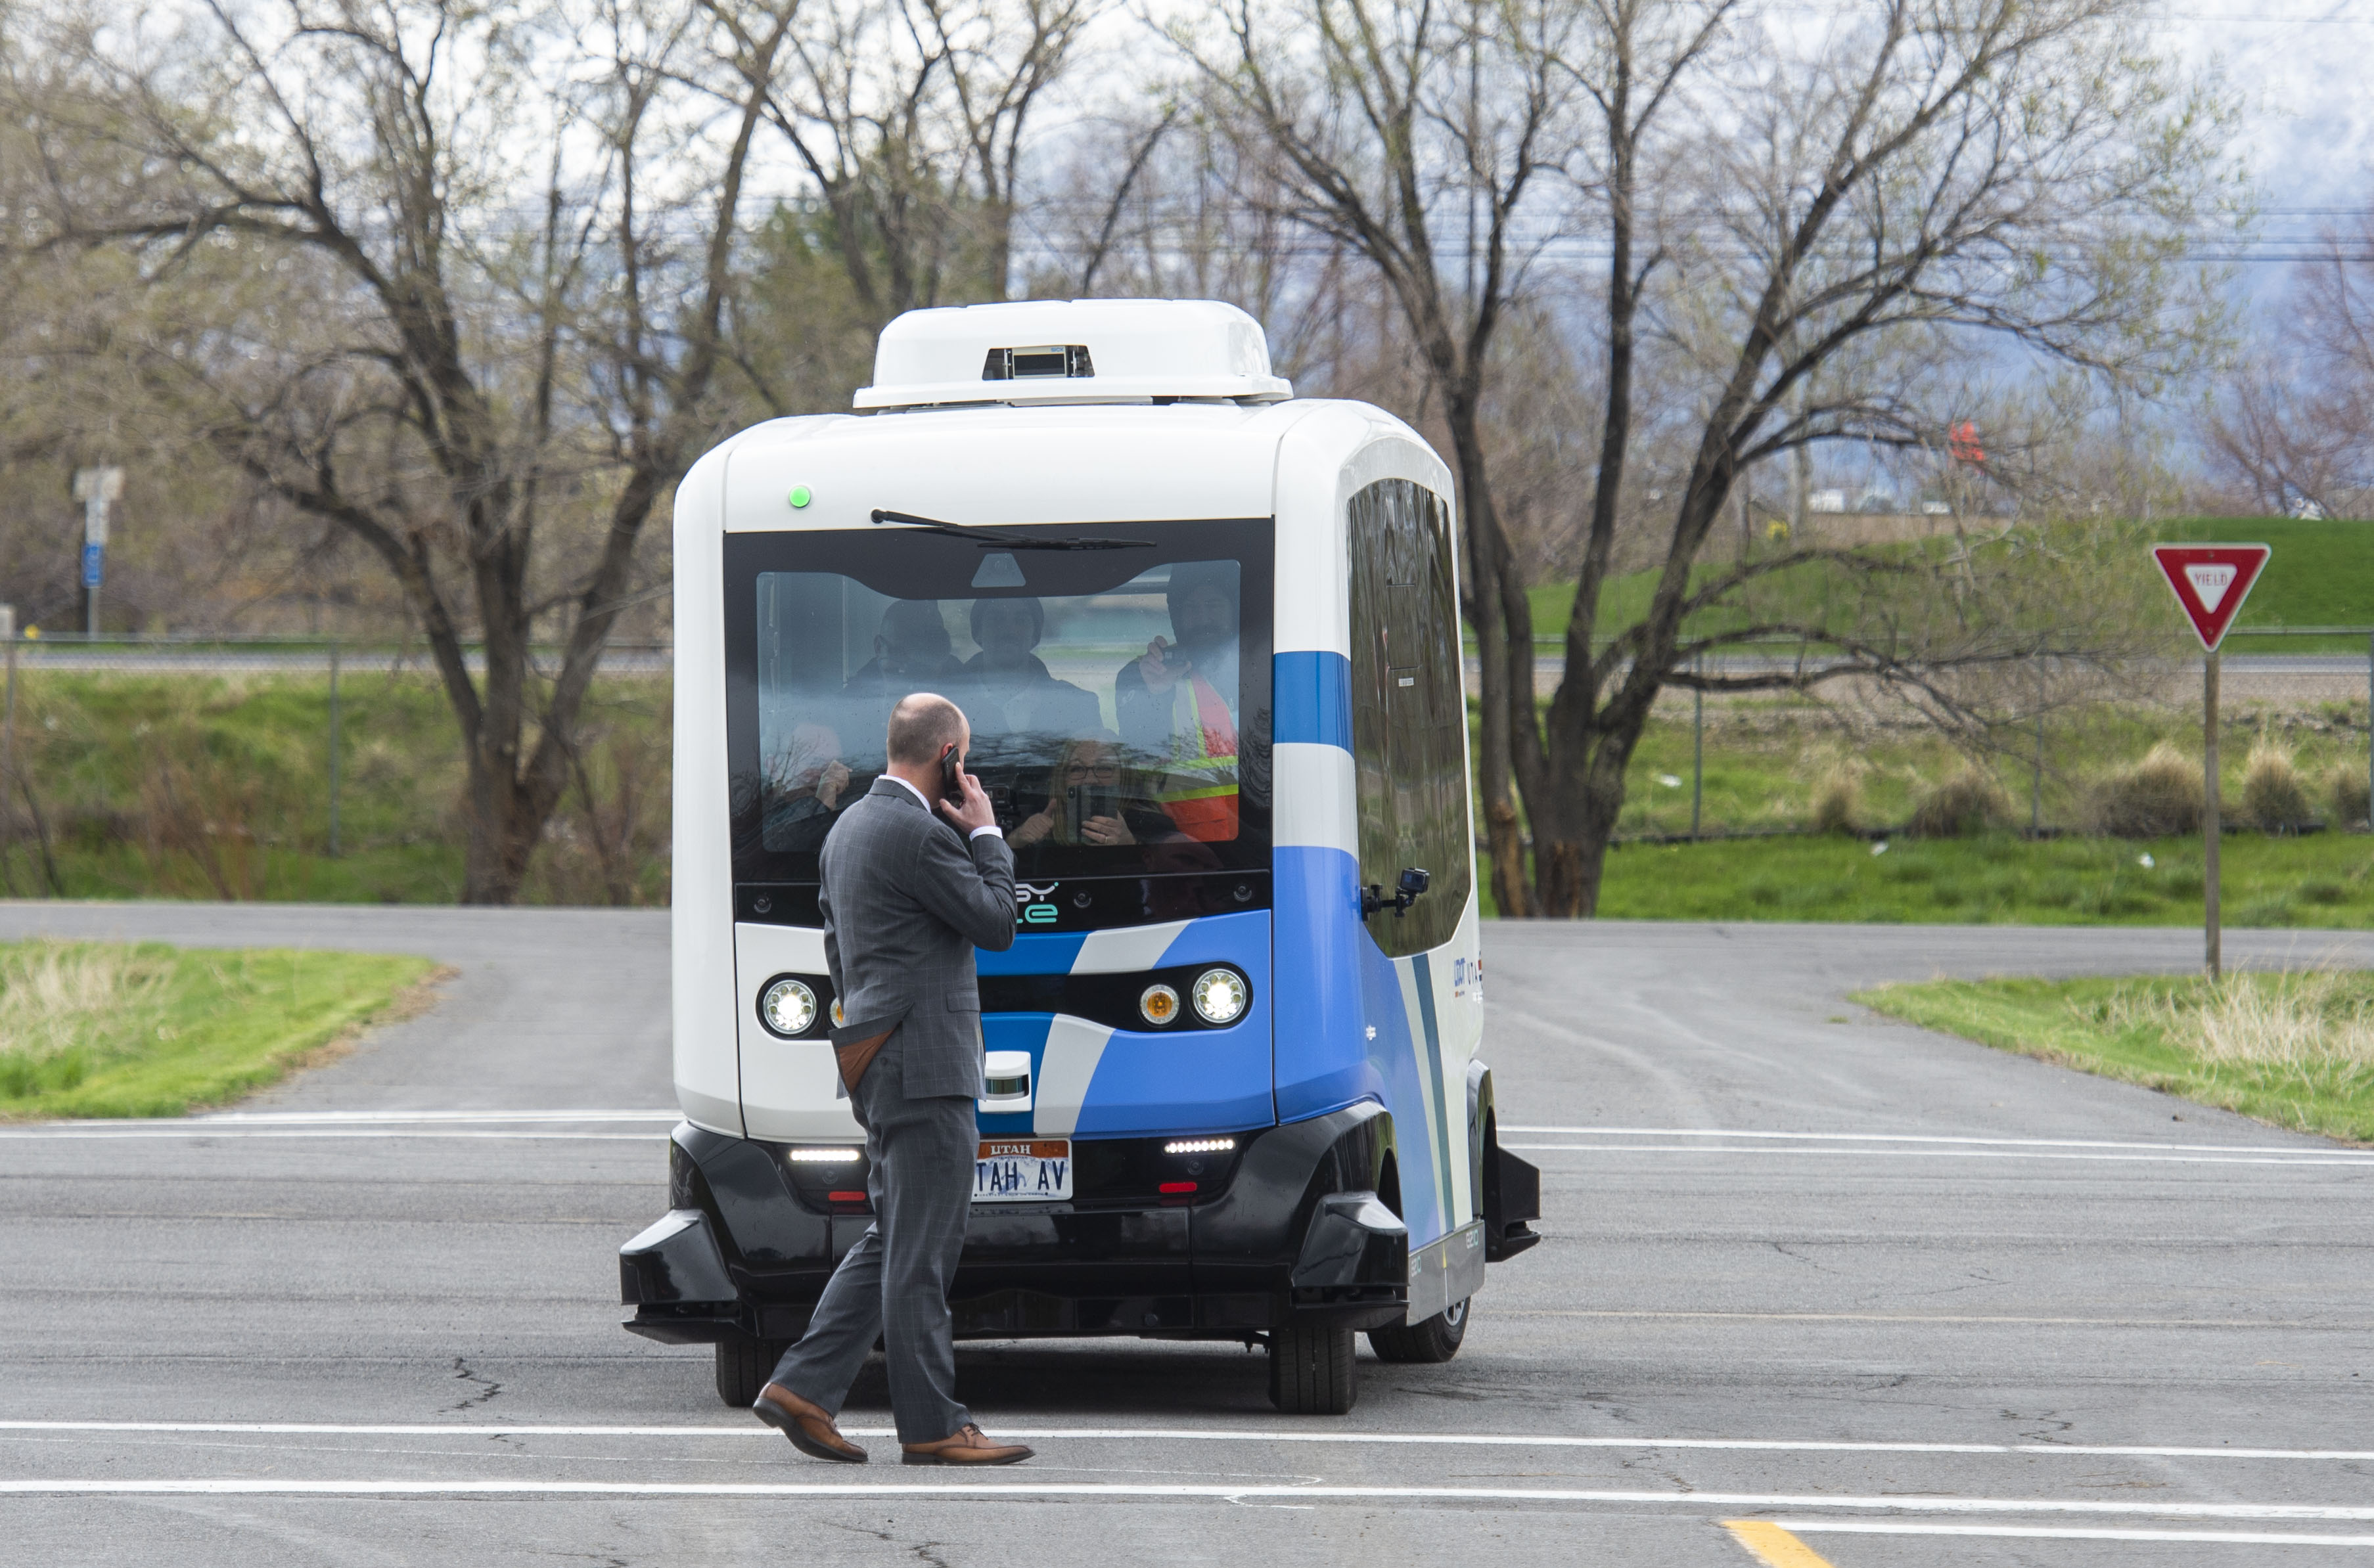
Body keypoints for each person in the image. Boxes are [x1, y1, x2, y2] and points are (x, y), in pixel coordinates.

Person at [750, 692, 1033, 1468]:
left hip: (876, 1053)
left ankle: (802, 1386)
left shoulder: (848, 828)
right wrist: (988, 835)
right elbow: (997, 922)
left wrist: (869, 1026)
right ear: (949, 756)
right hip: (926, 1060)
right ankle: (933, 1424)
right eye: (964, 758)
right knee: (923, 1251)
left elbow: (838, 947)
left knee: (896, 1236)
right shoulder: (918, 832)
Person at [1113, 562, 1241, 842]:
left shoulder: (1265, 665)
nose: (1203, 617)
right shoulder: (1140, 675)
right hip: (1174, 849)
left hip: (1258, 841)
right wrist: (1155, 693)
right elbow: (1138, 757)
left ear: (1234, 610)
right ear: (1177, 617)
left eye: (1213, 605)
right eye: (1192, 609)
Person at [958, 596, 1101, 747]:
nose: (1009, 630)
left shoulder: (1081, 706)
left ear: (1035, 636)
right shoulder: (947, 706)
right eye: (996, 619)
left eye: (1021, 620)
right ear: (978, 633)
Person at [1010, 732, 1139, 848]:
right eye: (1077, 769)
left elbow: (1156, 865)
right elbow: (997, 866)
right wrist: (1018, 838)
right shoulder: (1031, 814)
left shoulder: (1148, 823)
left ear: (1124, 776)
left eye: (1104, 767)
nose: (1090, 779)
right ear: (1062, 780)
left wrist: (1128, 842)